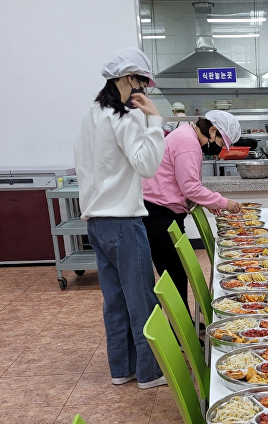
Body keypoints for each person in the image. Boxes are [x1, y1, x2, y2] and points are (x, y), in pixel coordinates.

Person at [73, 47, 167, 389]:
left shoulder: (91, 114)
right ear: (130, 79)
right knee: (141, 297)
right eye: (144, 83)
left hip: (96, 222)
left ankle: (121, 369)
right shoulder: (123, 118)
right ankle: (150, 373)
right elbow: (147, 165)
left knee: (115, 301)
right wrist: (155, 121)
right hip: (124, 223)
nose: (146, 90)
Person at [142, 110, 242, 319]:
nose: (219, 150)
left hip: (163, 210)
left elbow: (183, 183)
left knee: (177, 274)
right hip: (159, 214)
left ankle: (184, 325)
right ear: (212, 130)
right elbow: (190, 187)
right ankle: (181, 331)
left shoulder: (186, 136)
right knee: (174, 276)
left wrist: (206, 202)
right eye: (221, 144)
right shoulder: (188, 143)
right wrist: (224, 202)